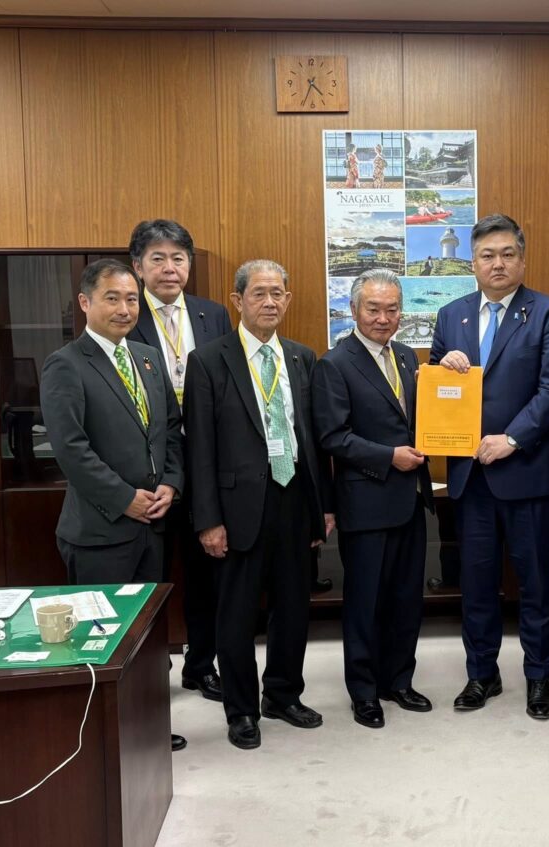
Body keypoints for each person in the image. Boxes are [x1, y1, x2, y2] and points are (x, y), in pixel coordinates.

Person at [430, 213, 549, 720]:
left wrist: (511, 439)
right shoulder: (450, 315)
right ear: (472, 263)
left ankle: (539, 676)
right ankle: (481, 673)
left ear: (522, 259)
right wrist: (443, 364)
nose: (497, 263)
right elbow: (437, 386)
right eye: (487, 255)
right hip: (470, 476)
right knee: (476, 583)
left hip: (528, 472)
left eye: (507, 254)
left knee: (536, 583)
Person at [184, 260, 334, 750]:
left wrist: (322, 506)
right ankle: (242, 710)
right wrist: (208, 520)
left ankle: (283, 695)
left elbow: (312, 440)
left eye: (277, 294)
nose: (269, 302)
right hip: (237, 507)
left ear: (288, 300)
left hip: (294, 499)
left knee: (293, 608)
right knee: (237, 616)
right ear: (238, 300)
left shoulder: (302, 358)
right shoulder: (209, 360)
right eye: (259, 294)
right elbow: (199, 449)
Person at [40, 257, 186, 751]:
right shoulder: (66, 364)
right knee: (101, 641)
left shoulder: (147, 357)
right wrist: (125, 500)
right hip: (101, 531)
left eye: (131, 299)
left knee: (146, 640)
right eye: (112, 298)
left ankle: (146, 730)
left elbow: (170, 433)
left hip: (153, 524)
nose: (124, 309)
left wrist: (171, 484)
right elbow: (71, 449)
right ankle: (104, 741)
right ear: (85, 302)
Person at [313, 269, 435, 729]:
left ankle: (398, 680)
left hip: (410, 500)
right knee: (365, 604)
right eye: (373, 309)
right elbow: (333, 436)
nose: (383, 318)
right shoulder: (335, 363)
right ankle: (364, 692)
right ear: (353, 310)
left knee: (406, 599)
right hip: (366, 502)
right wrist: (388, 457)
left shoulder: (405, 356)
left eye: (392, 309)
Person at [126, 219, 232, 705]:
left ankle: (201, 665)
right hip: (148, 470)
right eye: (158, 259)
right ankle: (148, 677)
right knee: (149, 575)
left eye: (178, 258)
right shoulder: (126, 315)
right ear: (138, 266)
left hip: (204, 463)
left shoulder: (213, 315)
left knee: (205, 571)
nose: (169, 268)